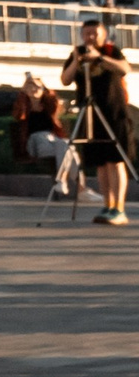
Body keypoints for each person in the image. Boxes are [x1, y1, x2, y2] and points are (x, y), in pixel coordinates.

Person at [62, 20, 132, 225]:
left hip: (113, 112)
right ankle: (107, 205)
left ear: (103, 34)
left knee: (115, 160)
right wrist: (76, 60)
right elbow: (65, 79)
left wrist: (99, 58)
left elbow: (124, 68)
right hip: (90, 114)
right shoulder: (78, 52)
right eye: (86, 33)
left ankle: (119, 208)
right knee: (100, 164)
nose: (90, 37)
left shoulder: (111, 51)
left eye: (94, 33)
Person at [16, 74, 74, 196]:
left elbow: (55, 101)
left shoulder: (48, 105)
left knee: (66, 145)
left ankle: (61, 181)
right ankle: (78, 187)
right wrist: (23, 90)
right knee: (68, 150)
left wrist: (43, 87)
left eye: (37, 87)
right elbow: (17, 114)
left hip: (52, 141)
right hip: (34, 141)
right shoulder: (24, 106)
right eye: (30, 87)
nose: (34, 89)